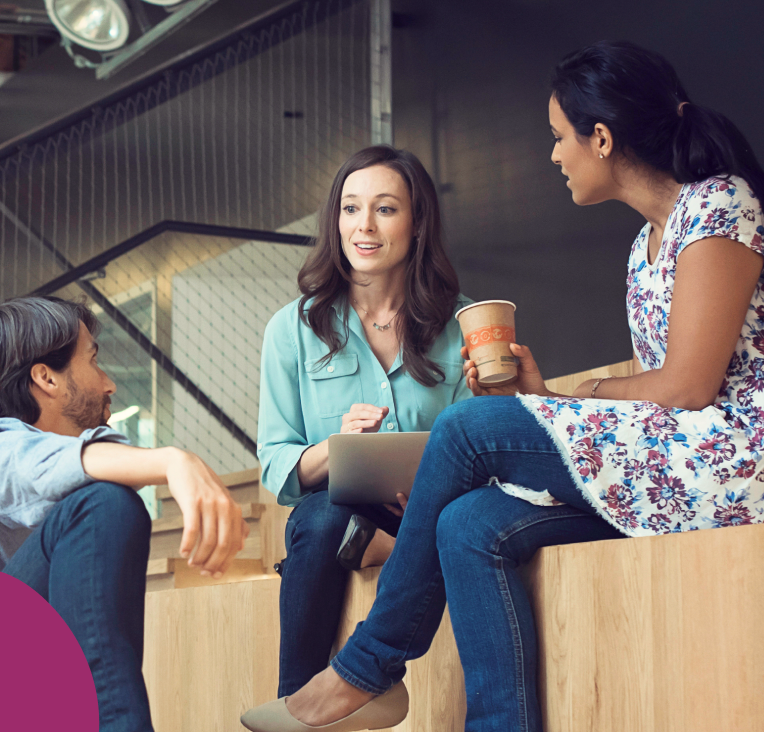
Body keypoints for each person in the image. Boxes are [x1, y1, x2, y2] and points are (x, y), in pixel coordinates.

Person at [243, 40, 764, 732]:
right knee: (466, 523)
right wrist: (550, 400)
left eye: (558, 137)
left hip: (731, 460)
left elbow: (691, 386)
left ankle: (365, 670)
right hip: (668, 464)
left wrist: (572, 401)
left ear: (601, 138)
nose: (553, 155)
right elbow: (662, 400)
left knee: (462, 430)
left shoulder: (719, 207)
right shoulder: (646, 245)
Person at [0, 295, 249, 732]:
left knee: (101, 498)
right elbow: (41, 467)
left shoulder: (29, 465)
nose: (108, 384)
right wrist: (176, 461)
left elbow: (69, 464)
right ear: (46, 378)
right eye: (94, 361)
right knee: (102, 505)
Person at [256, 146, 472, 702]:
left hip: (433, 512)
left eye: (385, 209)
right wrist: (337, 449)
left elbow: (478, 444)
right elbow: (277, 462)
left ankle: (375, 552)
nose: (364, 226)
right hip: (336, 512)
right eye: (350, 209)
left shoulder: (462, 323)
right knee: (324, 515)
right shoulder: (292, 329)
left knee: (463, 518)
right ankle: (297, 700)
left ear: (418, 222)